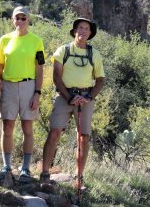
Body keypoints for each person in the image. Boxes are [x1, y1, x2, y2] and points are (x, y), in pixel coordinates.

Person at [40, 18, 105, 186]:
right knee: (54, 132)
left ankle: (79, 176)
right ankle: (45, 173)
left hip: (85, 98)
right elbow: (56, 77)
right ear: (74, 31)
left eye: (86, 28)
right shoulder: (63, 50)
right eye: (80, 28)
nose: (83, 31)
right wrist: (69, 97)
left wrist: (88, 97)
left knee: (84, 137)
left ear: (90, 33)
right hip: (64, 96)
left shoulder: (94, 54)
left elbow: (100, 80)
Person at [0, 6, 45, 183]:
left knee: (27, 128)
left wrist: (37, 93)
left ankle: (25, 168)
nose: (20, 21)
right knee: (7, 127)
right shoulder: (4, 40)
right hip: (8, 86)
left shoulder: (36, 41)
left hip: (28, 86)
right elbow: (0, 67)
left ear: (29, 20)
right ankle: (6, 166)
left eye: (23, 18)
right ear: (12, 20)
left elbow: (40, 69)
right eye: (17, 18)